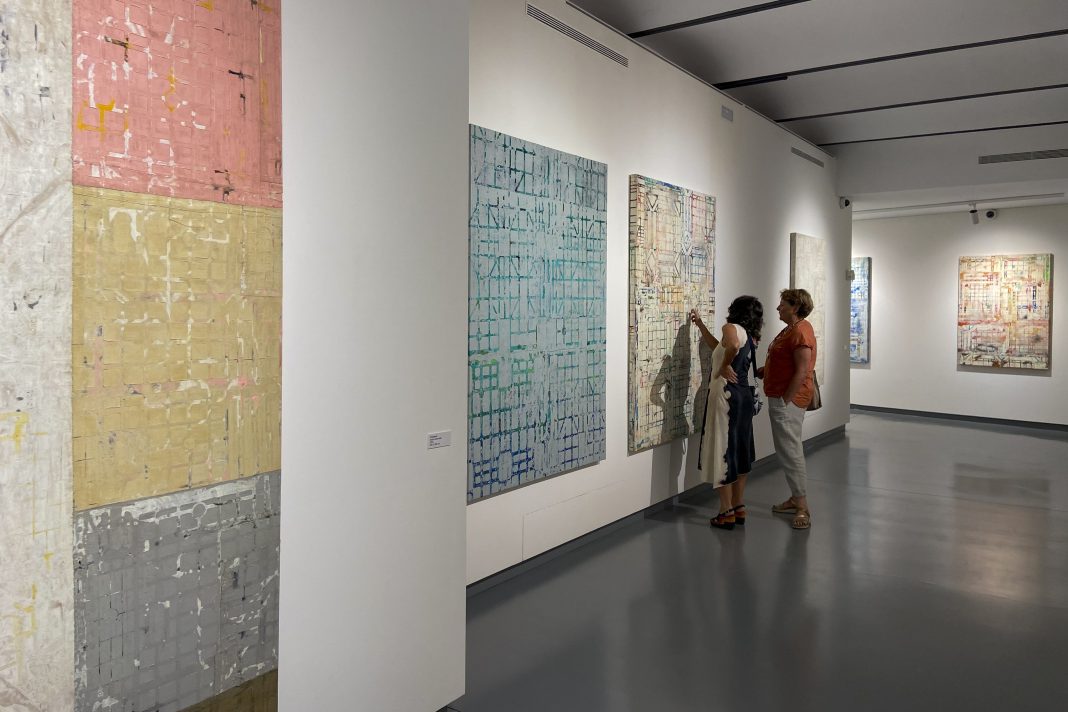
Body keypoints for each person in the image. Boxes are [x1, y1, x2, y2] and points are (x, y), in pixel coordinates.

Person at [690, 296, 764, 530]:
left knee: (722, 450)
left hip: (725, 396)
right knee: (741, 450)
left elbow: (730, 347)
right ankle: (739, 506)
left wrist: (723, 367)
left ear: (735, 310)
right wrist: (701, 325)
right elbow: (720, 348)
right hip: (742, 397)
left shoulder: (731, 328)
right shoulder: (750, 335)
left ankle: (726, 511)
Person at [756, 288, 817, 530]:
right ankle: (795, 498)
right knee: (787, 450)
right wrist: (767, 370)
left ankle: (802, 506)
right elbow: (787, 361)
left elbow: (802, 371)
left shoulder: (800, 331)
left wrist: (785, 401)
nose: (778, 308)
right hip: (781, 396)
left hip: (788, 400)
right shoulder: (791, 329)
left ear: (795, 307)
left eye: (782, 304)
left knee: (791, 451)